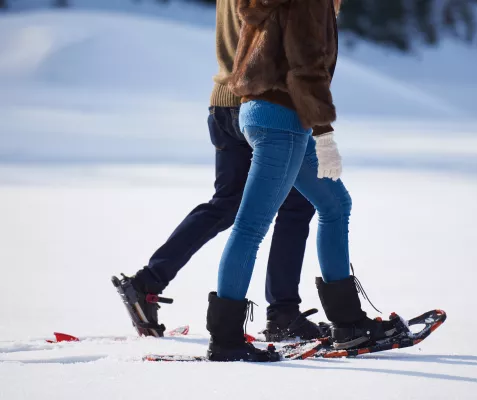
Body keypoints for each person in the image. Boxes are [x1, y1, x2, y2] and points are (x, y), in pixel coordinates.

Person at [112, 0, 327, 342]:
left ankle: (148, 282)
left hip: (222, 103)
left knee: (226, 203)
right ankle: (283, 313)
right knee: (296, 203)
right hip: (261, 103)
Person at [204, 0, 403, 362]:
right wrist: (324, 135)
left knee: (335, 204)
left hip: (262, 111)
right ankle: (226, 340)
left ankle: (348, 323)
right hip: (282, 119)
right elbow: (306, 67)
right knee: (250, 227)